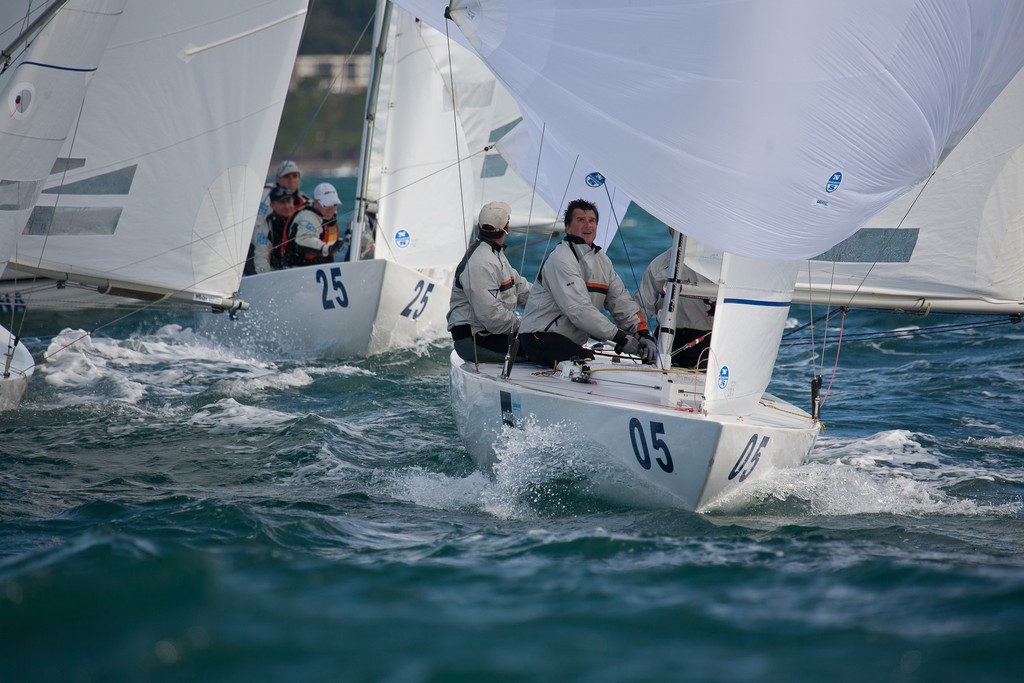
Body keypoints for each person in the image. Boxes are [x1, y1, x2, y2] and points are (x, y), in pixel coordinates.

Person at [518, 198, 656, 367]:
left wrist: (641, 333)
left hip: (567, 341)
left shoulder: (602, 261)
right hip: (537, 336)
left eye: (592, 221)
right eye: (581, 220)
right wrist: (619, 337)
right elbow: (578, 310)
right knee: (586, 362)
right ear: (568, 227)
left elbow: (620, 301)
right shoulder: (561, 258)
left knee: (588, 360)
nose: (588, 225)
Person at [447, 201, 531, 363]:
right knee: (541, 349)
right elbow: (492, 317)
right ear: (507, 228)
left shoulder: (494, 254)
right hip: (475, 340)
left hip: (487, 334)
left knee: (544, 341)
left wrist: (551, 305)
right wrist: (526, 328)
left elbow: (521, 288)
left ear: (480, 227)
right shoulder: (481, 262)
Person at [634, 229, 715, 369]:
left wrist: (720, 308)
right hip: (667, 336)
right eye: (674, 226)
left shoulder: (715, 265)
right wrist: (641, 336)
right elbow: (640, 307)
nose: (679, 231)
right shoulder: (658, 265)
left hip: (706, 338)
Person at [244, 160, 311, 275]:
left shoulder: (304, 200)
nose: (291, 181)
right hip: (260, 244)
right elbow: (256, 226)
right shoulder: (267, 195)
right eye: (286, 176)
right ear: (278, 178)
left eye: (294, 176)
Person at [283, 182, 342, 267]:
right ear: (316, 202)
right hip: (296, 269)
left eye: (334, 204)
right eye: (326, 204)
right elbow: (303, 239)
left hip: (319, 269)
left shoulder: (330, 219)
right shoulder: (306, 216)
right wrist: (327, 249)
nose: (331, 208)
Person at [249, 185, 297, 273]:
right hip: (280, 271)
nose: (287, 206)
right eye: (282, 202)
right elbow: (261, 256)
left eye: (289, 201)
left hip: (304, 268)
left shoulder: (302, 219)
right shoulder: (266, 225)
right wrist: (265, 276)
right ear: (272, 205)